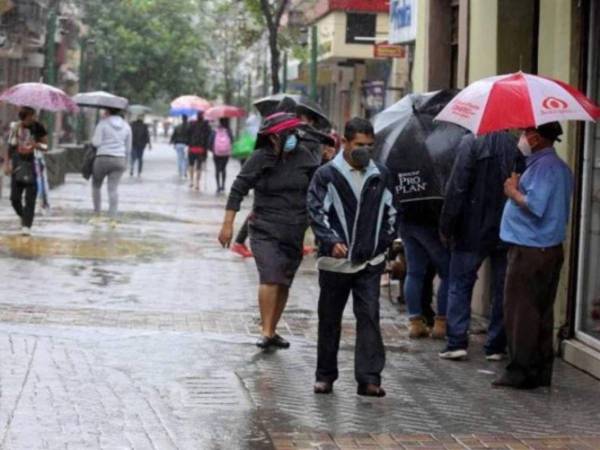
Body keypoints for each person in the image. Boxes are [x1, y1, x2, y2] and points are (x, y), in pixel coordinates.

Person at [307, 118, 396, 397]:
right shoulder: (326, 175)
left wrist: (380, 246)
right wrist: (331, 241)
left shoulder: (380, 174)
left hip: (369, 263)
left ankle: (369, 378)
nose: (364, 151)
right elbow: (316, 212)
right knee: (329, 318)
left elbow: (392, 214)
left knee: (369, 317)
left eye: (370, 146)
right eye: (359, 145)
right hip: (335, 264)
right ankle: (325, 376)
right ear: (345, 143)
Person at [218, 111, 320, 349]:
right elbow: (238, 189)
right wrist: (227, 224)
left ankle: (272, 331)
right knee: (270, 276)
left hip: (295, 228)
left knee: (284, 281)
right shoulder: (260, 158)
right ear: (274, 137)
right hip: (265, 227)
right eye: (288, 133)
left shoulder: (304, 156)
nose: (293, 137)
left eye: (295, 132)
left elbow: (319, 187)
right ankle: (265, 331)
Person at [493, 122, 573, 389]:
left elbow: (535, 205)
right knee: (541, 311)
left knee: (521, 312)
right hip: (547, 248)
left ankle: (520, 371)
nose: (521, 138)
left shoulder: (544, 167)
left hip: (530, 249)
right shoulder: (557, 167)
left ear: (537, 138)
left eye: (525, 133)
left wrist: (513, 191)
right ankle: (539, 370)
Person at [438, 131, 522, 361]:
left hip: (470, 228)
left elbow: (457, 186)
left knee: (460, 283)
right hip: (506, 228)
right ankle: (496, 345)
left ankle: (456, 341)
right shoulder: (516, 145)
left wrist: (446, 225)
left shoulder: (470, 142)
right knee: (502, 287)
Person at [398, 200, 450, 339]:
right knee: (447, 273)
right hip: (431, 220)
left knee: (414, 273)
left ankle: (415, 323)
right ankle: (441, 323)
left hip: (406, 219)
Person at [5, 107, 48, 235]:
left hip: (32, 164)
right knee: (14, 198)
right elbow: (9, 147)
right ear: (24, 117)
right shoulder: (15, 128)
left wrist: (36, 145)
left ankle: (26, 226)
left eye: (34, 116)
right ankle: (24, 217)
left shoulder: (38, 127)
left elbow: (46, 146)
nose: (33, 119)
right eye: (30, 117)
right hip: (18, 165)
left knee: (30, 197)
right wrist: (7, 164)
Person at [90, 108, 132, 225]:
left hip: (102, 158)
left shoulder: (102, 123)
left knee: (96, 186)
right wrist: (126, 163)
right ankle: (112, 219)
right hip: (119, 159)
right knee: (113, 189)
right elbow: (128, 148)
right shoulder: (127, 126)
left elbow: (96, 143)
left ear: (108, 112)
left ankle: (97, 216)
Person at [187, 111, 211, 190]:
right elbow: (208, 137)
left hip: (192, 148)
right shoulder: (206, 125)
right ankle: (197, 184)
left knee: (191, 165)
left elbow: (188, 134)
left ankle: (191, 181)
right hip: (201, 149)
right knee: (199, 167)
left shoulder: (192, 124)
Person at [210, 117, 233, 193]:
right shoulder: (229, 131)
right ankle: (223, 186)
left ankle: (218, 187)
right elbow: (232, 140)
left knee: (217, 169)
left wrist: (212, 150)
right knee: (223, 169)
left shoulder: (215, 131)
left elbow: (210, 141)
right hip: (226, 153)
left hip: (216, 153)